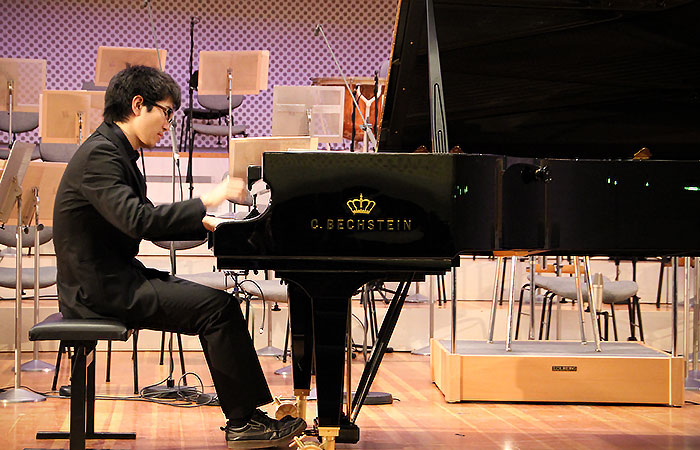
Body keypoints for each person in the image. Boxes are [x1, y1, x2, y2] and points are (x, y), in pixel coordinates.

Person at [52, 65, 306, 449]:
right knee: (218, 309)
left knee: (218, 306)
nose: (169, 125)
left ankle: (246, 417)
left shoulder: (113, 151)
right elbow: (138, 220)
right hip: (100, 290)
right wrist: (207, 199)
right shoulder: (101, 155)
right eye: (167, 112)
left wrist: (204, 222)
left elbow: (143, 219)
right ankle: (243, 422)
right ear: (138, 104)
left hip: (110, 279)